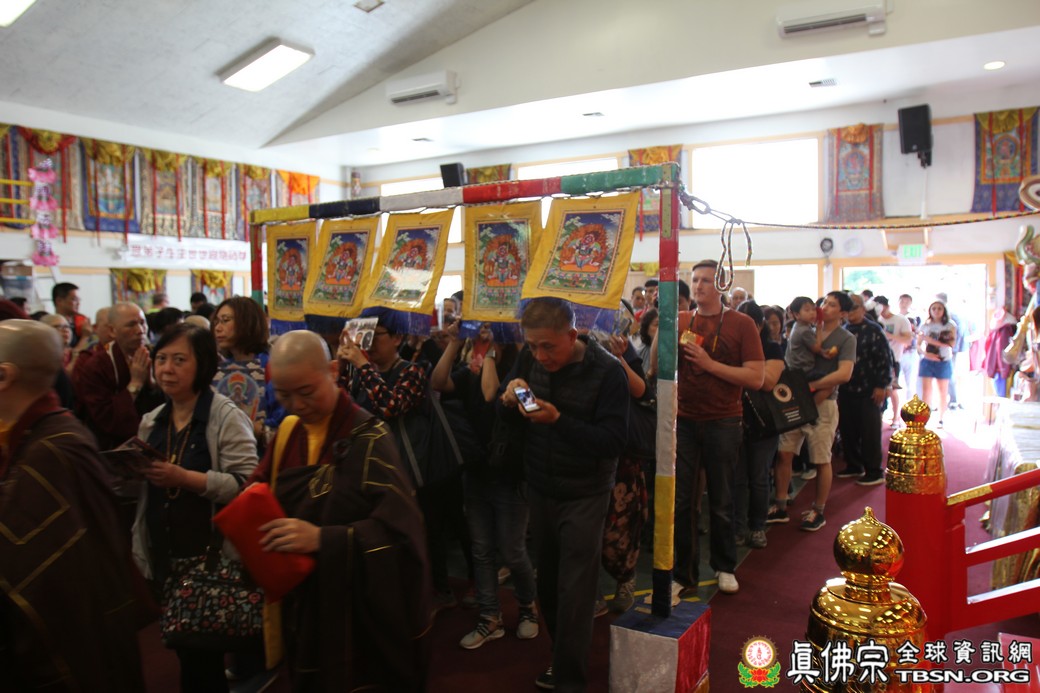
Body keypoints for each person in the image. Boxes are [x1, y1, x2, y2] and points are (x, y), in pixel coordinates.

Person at [250, 330, 432, 692]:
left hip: (359, 607)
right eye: (284, 395)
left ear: (333, 371)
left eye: (306, 392)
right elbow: (259, 493)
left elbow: (402, 533)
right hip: (304, 598)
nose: (297, 405)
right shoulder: (288, 432)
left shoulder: (370, 437)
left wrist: (324, 539)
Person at [0, 319, 146, 692]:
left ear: (4, 376)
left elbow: (32, 575)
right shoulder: (41, 436)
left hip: (68, 646)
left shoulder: (53, 449)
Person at [499, 297, 628, 692]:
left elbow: (612, 442)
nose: (540, 356)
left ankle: (570, 679)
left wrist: (558, 420)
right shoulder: (530, 359)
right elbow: (512, 416)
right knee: (549, 585)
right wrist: (510, 395)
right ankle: (561, 655)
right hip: (540, 486)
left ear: (573, 335)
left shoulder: (608, 371)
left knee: (576, 590)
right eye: (532, 346)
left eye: (548, 347)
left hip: (586, 491)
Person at [131, 323, 258, 693]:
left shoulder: (225, 416)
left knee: (201, 658)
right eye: (161, 359)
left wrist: (184, 478)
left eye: (179, 360)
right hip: (165, 555)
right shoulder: (152, 421)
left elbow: (246, 484)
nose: (166, 369)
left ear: (202, 364)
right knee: (186, 651)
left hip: (211, 558)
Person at [657, 260, 763, 599]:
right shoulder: (681, 320)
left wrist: (710, 364)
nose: (699, 286)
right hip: (685, 420)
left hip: (724, 420)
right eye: (695, 280)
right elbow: (660, 367)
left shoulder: (742, 323)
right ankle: (683, 574)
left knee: (721, 498)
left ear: (721, 285)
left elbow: (756, 378)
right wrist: (663, 328)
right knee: (683, 502)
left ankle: (725, 566)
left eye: (706, 280)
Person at [431, 322, 539, 650]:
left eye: (489, 332)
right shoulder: (470, 371)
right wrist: (455, 342)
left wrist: (491, 352)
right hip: (477, 472)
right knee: (481, 550)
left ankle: (528, 607)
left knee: (512, 551)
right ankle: (490, 617)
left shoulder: (520, 372)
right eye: (479, 332)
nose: (482, 336)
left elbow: (492, 393)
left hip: (510, 475)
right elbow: (438, 382)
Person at [769, 291, 856, 532]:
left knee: (821, 458)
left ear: (842, 313)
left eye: (832, 305)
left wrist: (814, 385)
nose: (824, 307)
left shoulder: (846, 338)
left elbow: (844, 374)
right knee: (785, 452)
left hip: (824, 402)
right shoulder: (805, 329)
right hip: (796, 398)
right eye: (824, 302)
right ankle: (780, 504)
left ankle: (818, 510)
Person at [73, 302, 164, 451]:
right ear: (112, 331)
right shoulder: (96, 365)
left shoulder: (156, 356)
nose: (140, 330)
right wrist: (135, 384)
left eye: (142, 323)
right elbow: (106, 418)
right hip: (113, 449)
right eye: (131, 325)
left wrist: (152, 384)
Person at [734, 300, 784, 550]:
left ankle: (757, 527)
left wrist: (736, 370)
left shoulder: (772, 348)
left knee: (759, 477)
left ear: (760, 325)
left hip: (764, 423)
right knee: (737, 478)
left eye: (750, 324)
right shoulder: (730, 345)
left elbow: (767, 381)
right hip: (734, 419)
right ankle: (737, 528)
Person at [211, 296, 286, 451]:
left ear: (247, 322)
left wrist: (255, 428)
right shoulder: (218, 368)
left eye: (225, 320)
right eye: (216, 322)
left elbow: (284, 423)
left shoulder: (272, 367)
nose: (218, 328)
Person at [835, 293, 893, 485]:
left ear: (862, 309)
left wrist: (881, 385)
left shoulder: (874, 330)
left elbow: (885, 359)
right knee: (847, 430)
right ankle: (854, 465)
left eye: (854, 308)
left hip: (869, 389)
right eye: (847, 309)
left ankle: (874, 471)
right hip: (846, 388)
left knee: (870, 432)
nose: (850, 312)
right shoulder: (843, 329)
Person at [919, 299, 958, 427]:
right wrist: (925, 353)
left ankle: (941, 418)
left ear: (944, 310)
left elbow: (951, 344)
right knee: (926, 391)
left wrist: (931, 341)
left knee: (942, 390)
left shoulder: (950, 325)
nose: (936, 311)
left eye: (939, 308)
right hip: (927, 360)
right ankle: (924, 418)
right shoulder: (925, 325)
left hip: (943, 360)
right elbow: (918, 344)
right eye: (934, 308)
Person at [875, 296, 912, 427]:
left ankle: (896, 418)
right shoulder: (876, 320)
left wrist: (889, 336)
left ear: (887, 306)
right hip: (877, 360)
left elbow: (908, 339)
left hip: (894, 359)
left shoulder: (901, 320)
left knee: (892, 389)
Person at [52, 281, 90, 347]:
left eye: (79, 300)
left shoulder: (81, 322)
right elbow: (68, 353)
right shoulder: (53, 327)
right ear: (59, 301)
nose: (78, 303)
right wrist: (85, 337)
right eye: (74, 299)